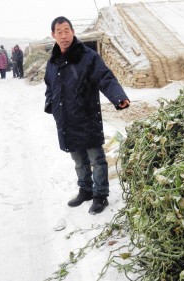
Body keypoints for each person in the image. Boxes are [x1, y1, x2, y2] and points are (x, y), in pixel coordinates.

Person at [44, 16, 130, 214]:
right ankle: (85, 190)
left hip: (87, 115)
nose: (64, 35)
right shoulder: (53, 62)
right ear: (53, 35)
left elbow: (104, 77)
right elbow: (49, 85)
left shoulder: (88, 56)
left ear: (73, 32)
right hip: (66, 118)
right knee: (78, 159)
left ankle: (100, 195)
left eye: (67, 30)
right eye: (59, 32)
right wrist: (51, 104)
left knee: (96, 159)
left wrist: (118, 97)